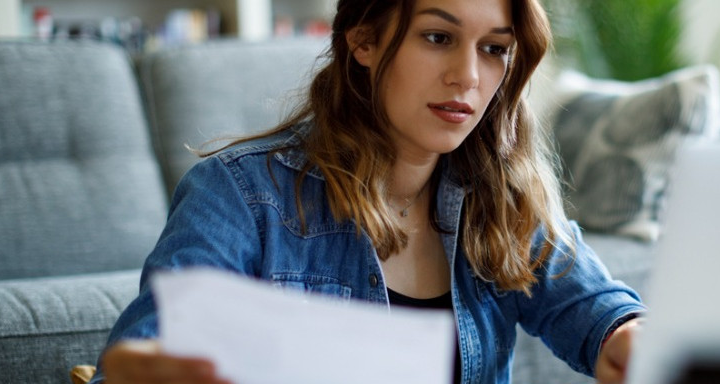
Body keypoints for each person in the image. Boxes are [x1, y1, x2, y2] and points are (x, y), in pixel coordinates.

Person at [90, 0, 645, 383]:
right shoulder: (239, 193)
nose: (469, 76)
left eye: (494, 48)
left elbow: (599, 311)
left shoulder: (501, 196)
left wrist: (625, 337)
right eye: (438, 37)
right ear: (364, 40)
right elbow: (141, 360)